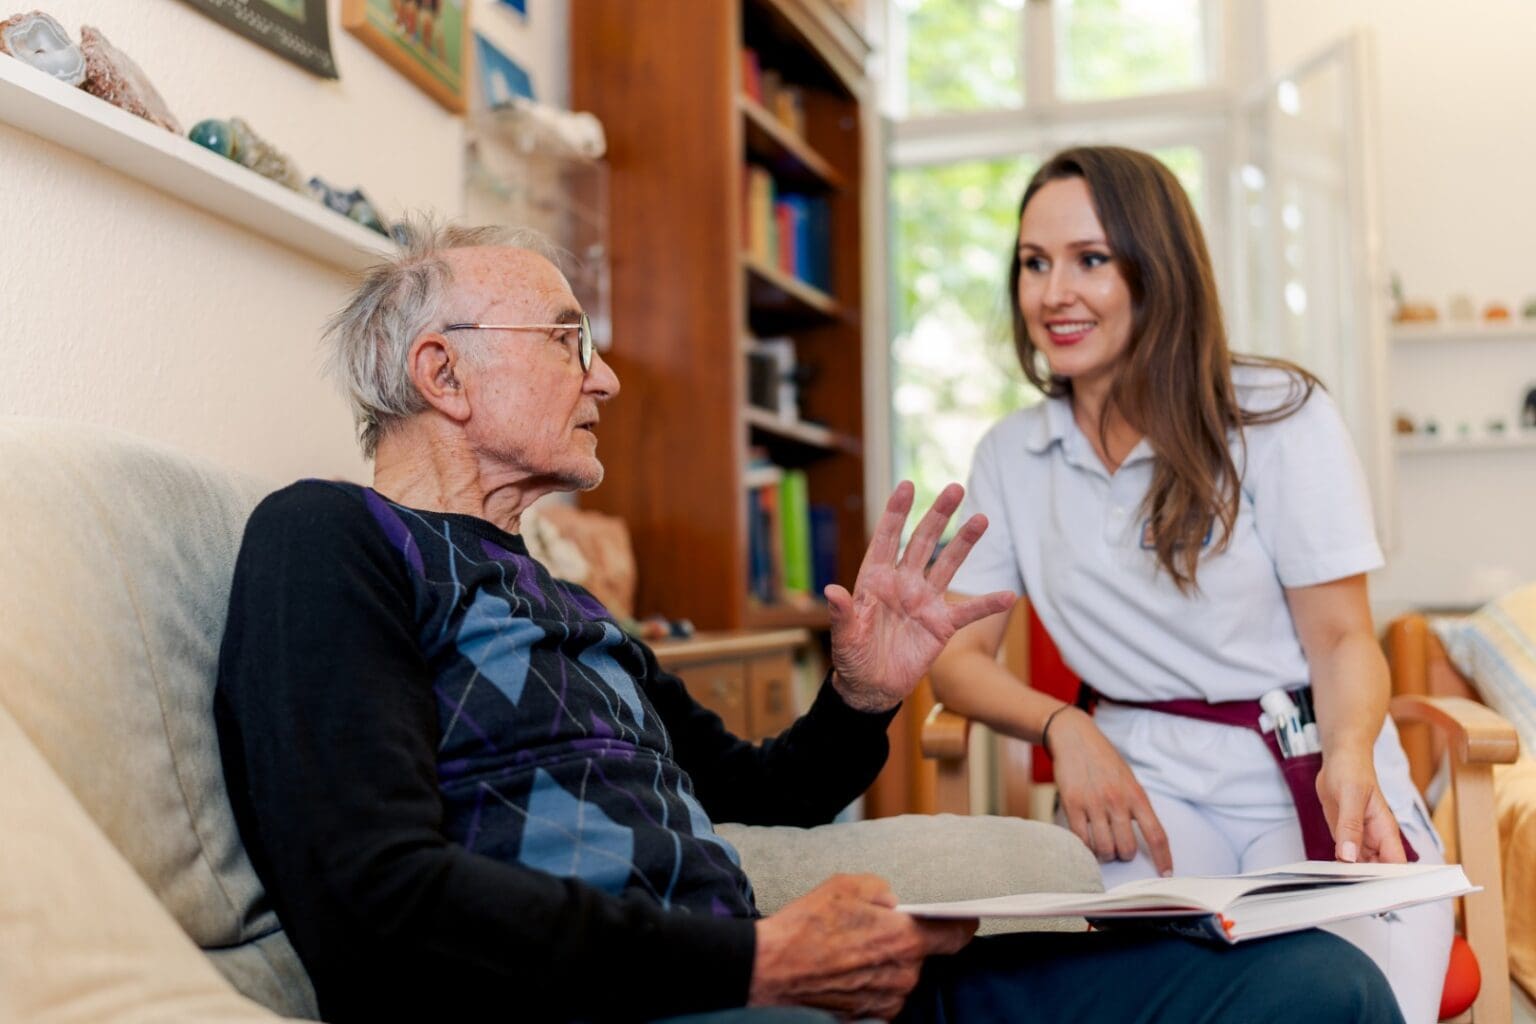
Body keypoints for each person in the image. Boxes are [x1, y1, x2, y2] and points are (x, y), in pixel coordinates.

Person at [215, 218, 1405, 1024]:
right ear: (443, 374)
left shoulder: (568, 602)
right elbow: (375, 898)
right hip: (647, 999)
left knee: (1316, 982)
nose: (606, 377)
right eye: (570, 340)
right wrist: (761, 956)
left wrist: (864, 694)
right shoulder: (329, 540)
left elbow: (762, 790)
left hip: (774, 984)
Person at [929, 146, 1451, 1022]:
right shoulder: (1011, 455)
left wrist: (1351, 754)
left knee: (1345, 999)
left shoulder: (1279, 416)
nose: (1054, 292)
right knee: (1141, 999)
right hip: (1143, 778)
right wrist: (1064, 726)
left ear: (1158, 268)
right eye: (1034, 263)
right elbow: (955, 656)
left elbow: (1341, 639)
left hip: (1310, 754)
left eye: (1091, 259)